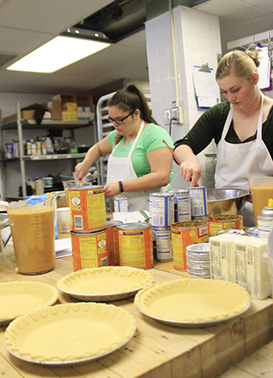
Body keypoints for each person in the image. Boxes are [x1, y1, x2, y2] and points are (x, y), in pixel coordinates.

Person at [173, 49, 273, 226]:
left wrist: (265, 190)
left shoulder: (270, 117)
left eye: (235, 90)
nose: (230, 98)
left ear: (254, 79)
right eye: (224, 92)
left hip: (267, 219)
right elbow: (182, 145)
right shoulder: (220, 114)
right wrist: (190, 159)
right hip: (225, 219)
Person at [75, 84, 174, 211]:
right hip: (122, 214)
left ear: (136, 113)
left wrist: (121, 186)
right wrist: (85, 164)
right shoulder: (118, 136)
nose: (115, 125)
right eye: (112, 119)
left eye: (120, 119)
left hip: (152, 212)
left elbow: (161, 177)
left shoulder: (154, 134)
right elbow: (98, 149)